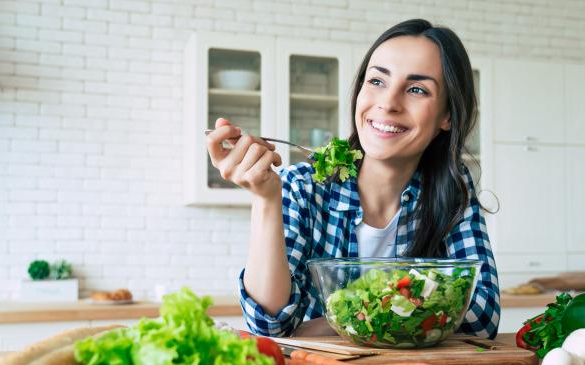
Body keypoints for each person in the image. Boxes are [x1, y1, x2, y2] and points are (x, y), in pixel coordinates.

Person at [206, 18, 500, 339]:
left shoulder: (453, 192)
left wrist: (331, 323)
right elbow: (270, 324)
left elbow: (481, 317)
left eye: (416, 89)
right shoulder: (302, 186)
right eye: (376, 81)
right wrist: (265, 199)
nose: (388, 103)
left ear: (447, 116)